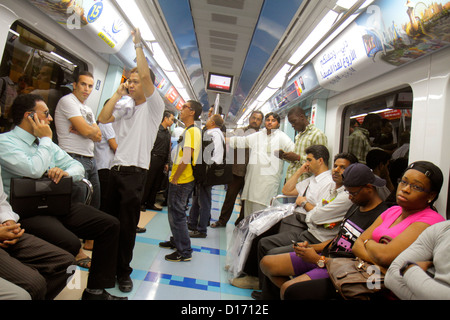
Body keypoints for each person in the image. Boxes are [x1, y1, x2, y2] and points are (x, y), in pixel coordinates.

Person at [0, 94, 124, 300]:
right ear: (29, 116)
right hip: (25, 210)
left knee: (109, 224)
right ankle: (40, 290)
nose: (49, 119)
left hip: (53, 202)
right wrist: (47, 140)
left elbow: (76, 166)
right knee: (71, 243)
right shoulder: (5, 142)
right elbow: (32, 169)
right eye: (46, 114)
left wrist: (66, 173)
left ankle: (95, 291)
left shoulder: (43, 143)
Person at [258, 163, 389, 299]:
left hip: (343, 268)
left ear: (369, 187)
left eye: (353, 193)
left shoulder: (381, 217)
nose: (350, 197)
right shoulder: (357, 206)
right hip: (326, 255)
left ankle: (294, 293)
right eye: (348, 193)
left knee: (288, 288)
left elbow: (366, 259)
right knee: (267, 263)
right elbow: (339, 239)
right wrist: (311, 248)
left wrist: (319, 259)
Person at [97, 28, 165, 291]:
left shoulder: (153, 107)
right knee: (109, 223)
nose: (132, 84)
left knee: (126, 227)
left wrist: (138, 45)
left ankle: (123, 272)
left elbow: (146, 75)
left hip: (135, 173)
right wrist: (118, 92)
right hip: (115, 170)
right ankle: (105, 268)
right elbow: (103, 119)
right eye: (130, 81)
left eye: (136, 82)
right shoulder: (125, 107)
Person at [231, 147, 342, 290]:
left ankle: (256, 278)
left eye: (309, 160)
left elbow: (319, 212)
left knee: (262, 237)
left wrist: (302, 202)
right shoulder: (311, 180)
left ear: (320, 161)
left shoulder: (328, 183)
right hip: (293, 216)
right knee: (255, 226)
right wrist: (300, 171)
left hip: (303, 222)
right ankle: (241, 266)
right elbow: (287, 190)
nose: (306, 163)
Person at [352, 161, 445, 275]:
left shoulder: (431, 220)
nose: (405, 189)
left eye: (416, 186)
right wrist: (378, 265)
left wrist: (367, 242)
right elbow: (356, 245)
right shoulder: (393, 210)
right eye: (403, 182)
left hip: (391, 289)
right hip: (370, 276)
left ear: (431, 195)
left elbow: (385, 256)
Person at [0, 166, 75, 300]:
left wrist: (9, 221)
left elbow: (1, 201)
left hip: (4, 229)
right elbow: (33, 170)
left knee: (65, 263)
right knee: (35, 284)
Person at [159, 100, 203, 262]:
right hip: (182, 177)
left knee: (177, 214)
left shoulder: (192, 132)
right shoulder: (190, 130)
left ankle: (184, 251)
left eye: (184, 107)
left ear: (192, 112)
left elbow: (186, 156)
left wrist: (176, 177)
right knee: (176, 212)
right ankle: (176, 241)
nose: (181, 109)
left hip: (182, 179)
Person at [228, 112, 295, 217]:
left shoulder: (282, 138)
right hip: (252, 181)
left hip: (267, 183)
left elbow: (293, 153)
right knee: (248, 215)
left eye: (273, 121)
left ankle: (258, 234)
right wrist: (225, 139)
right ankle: (248, 233)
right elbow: (242, 141)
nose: (270, 122)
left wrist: (285, 156)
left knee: (261, 214)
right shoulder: (258, 135)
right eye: (268, 120)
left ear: (278, 124)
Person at [55, 70, 102, 210]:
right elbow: (89, 131)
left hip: (90, 160)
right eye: (83, 84)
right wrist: (87, 131)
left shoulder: (87, 109)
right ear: (74, 85)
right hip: (73, 157)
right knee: (78, 206)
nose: (87, 89)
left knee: (94, 204)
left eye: (90, 86)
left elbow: (98, 136)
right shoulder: (67, 101)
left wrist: (83, 130)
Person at [212, 110, 263, 228]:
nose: (255, 120)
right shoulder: (239, 131)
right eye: (253, 118)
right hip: (236, 171)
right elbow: (227, 140)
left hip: (252, 173)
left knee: (246, 200)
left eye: (258, 119)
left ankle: (241, 222)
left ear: (261, 122)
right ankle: (222, 221)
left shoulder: (262, 136)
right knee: (230, 197)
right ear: (249, 118)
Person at [385, 220, 450, 299]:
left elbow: (384, 256)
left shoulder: (429, 222)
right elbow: (391, 275)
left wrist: (410, 268)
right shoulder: (441, 229)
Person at [188, 113, 225, 238]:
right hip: (208, 172)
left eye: (209, 119)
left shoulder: (212, 134)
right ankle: (193, 222)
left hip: (206, 172)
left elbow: (206, 155)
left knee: (203, 201)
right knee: (199, 199)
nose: (207, 121)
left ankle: (201, 229)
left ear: (213, 123)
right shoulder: (218, 134)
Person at [282, 106, 328, 181]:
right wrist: (288, 157)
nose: (292, 125)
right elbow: (297, 161)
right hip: (291, 180)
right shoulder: (298, 136)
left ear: (302, 117)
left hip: (304, 182)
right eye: (291, 123)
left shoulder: (317, 135)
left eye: (294, 121)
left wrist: (298, 158)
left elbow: (320, 163)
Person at [141, 110, 174, 211]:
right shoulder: (155, 130)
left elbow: (168, 149)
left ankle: (151, 202)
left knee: (157, 183)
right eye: (171, 119)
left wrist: (167, 162)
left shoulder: (168, 133)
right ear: (165, 118)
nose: (172, 122)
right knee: (148, 182)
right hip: (153, 158)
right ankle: (142, 203)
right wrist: (148, 159)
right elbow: (148, 145)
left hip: (162, 160)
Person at [94, 121, 117, 213]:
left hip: (102, 165)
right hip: (104, 166)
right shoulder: (106, 124)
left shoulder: (101, 124)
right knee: (105, 198)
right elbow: (114, 146)